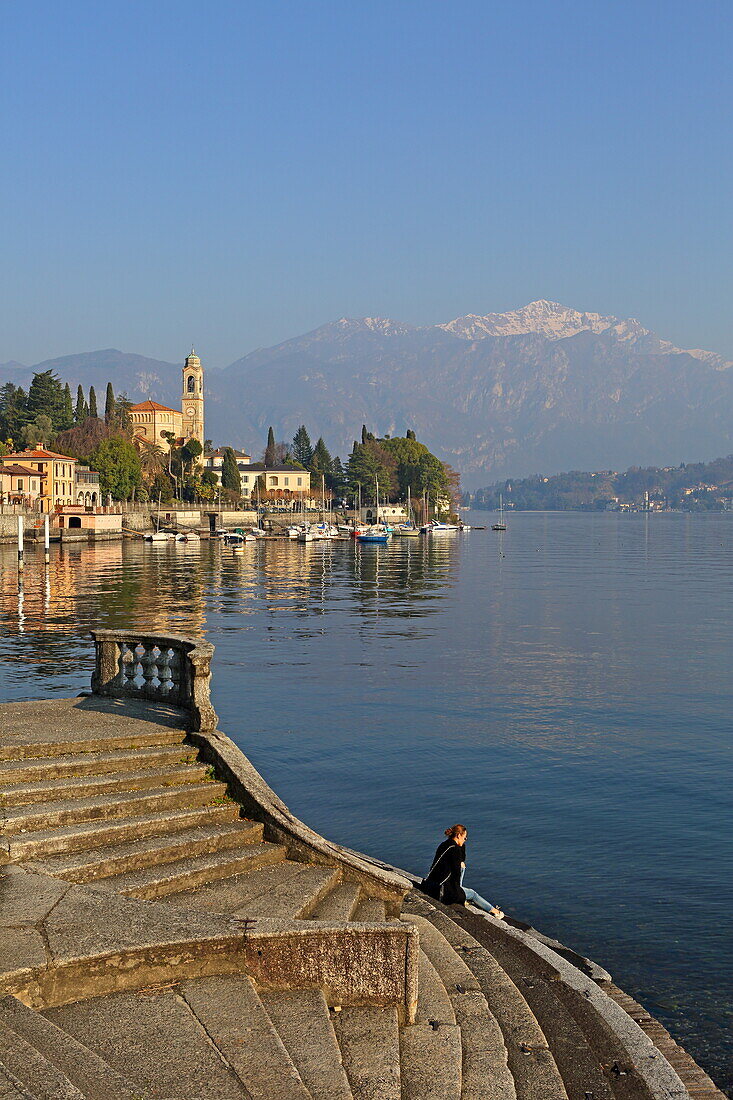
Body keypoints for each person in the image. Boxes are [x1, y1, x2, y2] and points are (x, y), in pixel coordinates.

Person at [420, 824, 504, 918]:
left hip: (430, 884)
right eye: (465, 838)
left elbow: (461, 859)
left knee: (461, 865)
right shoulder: (455, 850)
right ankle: (495, 911)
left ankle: (460, 892)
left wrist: (461, 845)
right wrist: (458, 893)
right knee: (472, 893)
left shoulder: (444, 844)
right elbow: (456, 873)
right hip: (441, 891)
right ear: (459, 835)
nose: (465, 840)